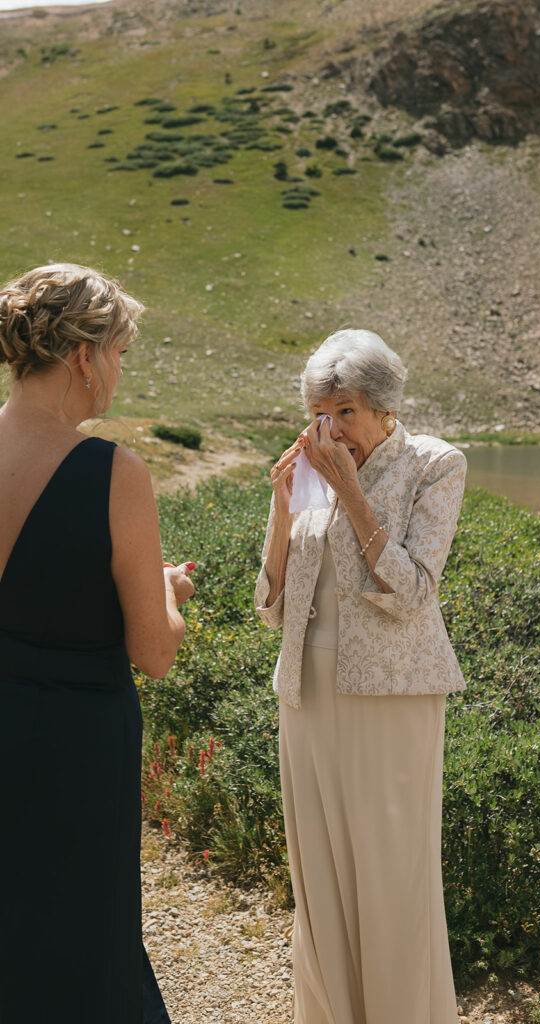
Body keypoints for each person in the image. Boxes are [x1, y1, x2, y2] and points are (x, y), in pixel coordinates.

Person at [254, 328, 467, 1024]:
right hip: (306, 697)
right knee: (317, 867)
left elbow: (408, 593)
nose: (330, 429)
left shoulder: (435, 464)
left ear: (383, 408)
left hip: (394, 695)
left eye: (344, 411)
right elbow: (269, 604)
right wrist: (285, 504)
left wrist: (349, 491)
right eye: (320, 412)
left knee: (389, 870)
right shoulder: (306, 470)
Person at [0, 264, 195, 1024]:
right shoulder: (114, 473)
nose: (118, 372)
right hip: (73, 750)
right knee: (81, 942)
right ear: (83, 356)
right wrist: (168, 595)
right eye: (117, 352)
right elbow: (155, 652)